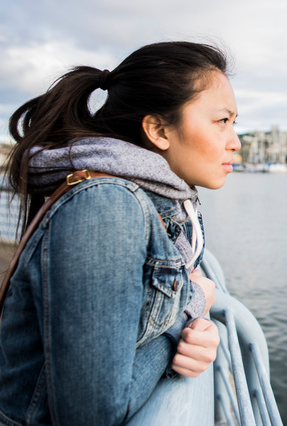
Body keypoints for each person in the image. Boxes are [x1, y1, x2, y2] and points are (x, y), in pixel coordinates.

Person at [0, 41, 241, 425]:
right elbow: (92, 415)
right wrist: (186, 313)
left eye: (234, 122)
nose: (235, 142)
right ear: (159, 130)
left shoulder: (157, 202)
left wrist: (197, 330)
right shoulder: (105, 206)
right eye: (221, 121)